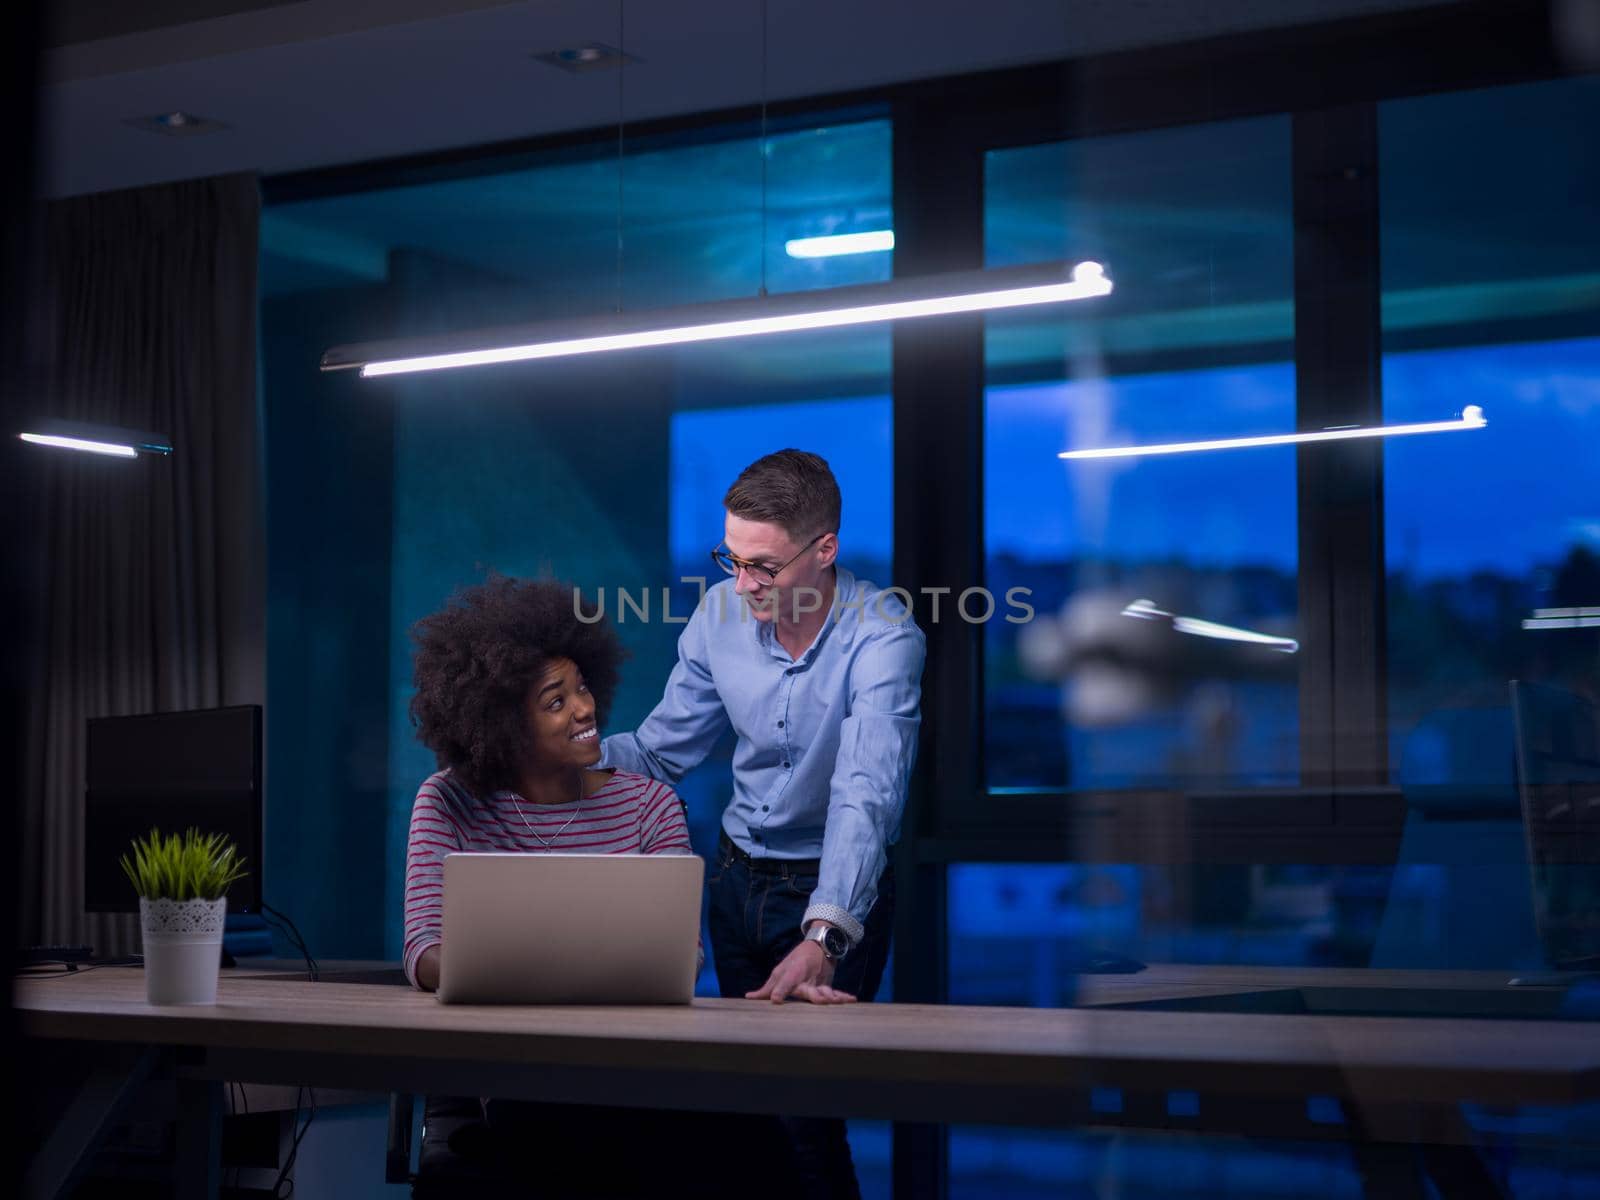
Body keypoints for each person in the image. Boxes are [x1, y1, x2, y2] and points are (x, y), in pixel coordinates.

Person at [601, 449, 926, 1199]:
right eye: (731, 559)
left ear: (825, 550)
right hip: (735, 879)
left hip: (831, 896)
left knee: (807, 1122)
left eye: (763, 568)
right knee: (745, 1118)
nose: (741, 584)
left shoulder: (884, 637)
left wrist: (825, 935)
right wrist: (565, 754)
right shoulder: (720, 613)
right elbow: (659, 752)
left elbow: (866, 793)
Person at [403, 575, 792, 1198]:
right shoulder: (449, 801)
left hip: (632, 1066)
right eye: (555, 702)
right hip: (509, 1072)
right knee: (557, 1126)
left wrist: (526, 970)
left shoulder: (650, 804)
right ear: (503, 724)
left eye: (581, 687)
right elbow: (424, 952)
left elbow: (682, 958)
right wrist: (562, 978)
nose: (585, 710)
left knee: (764, 1143)